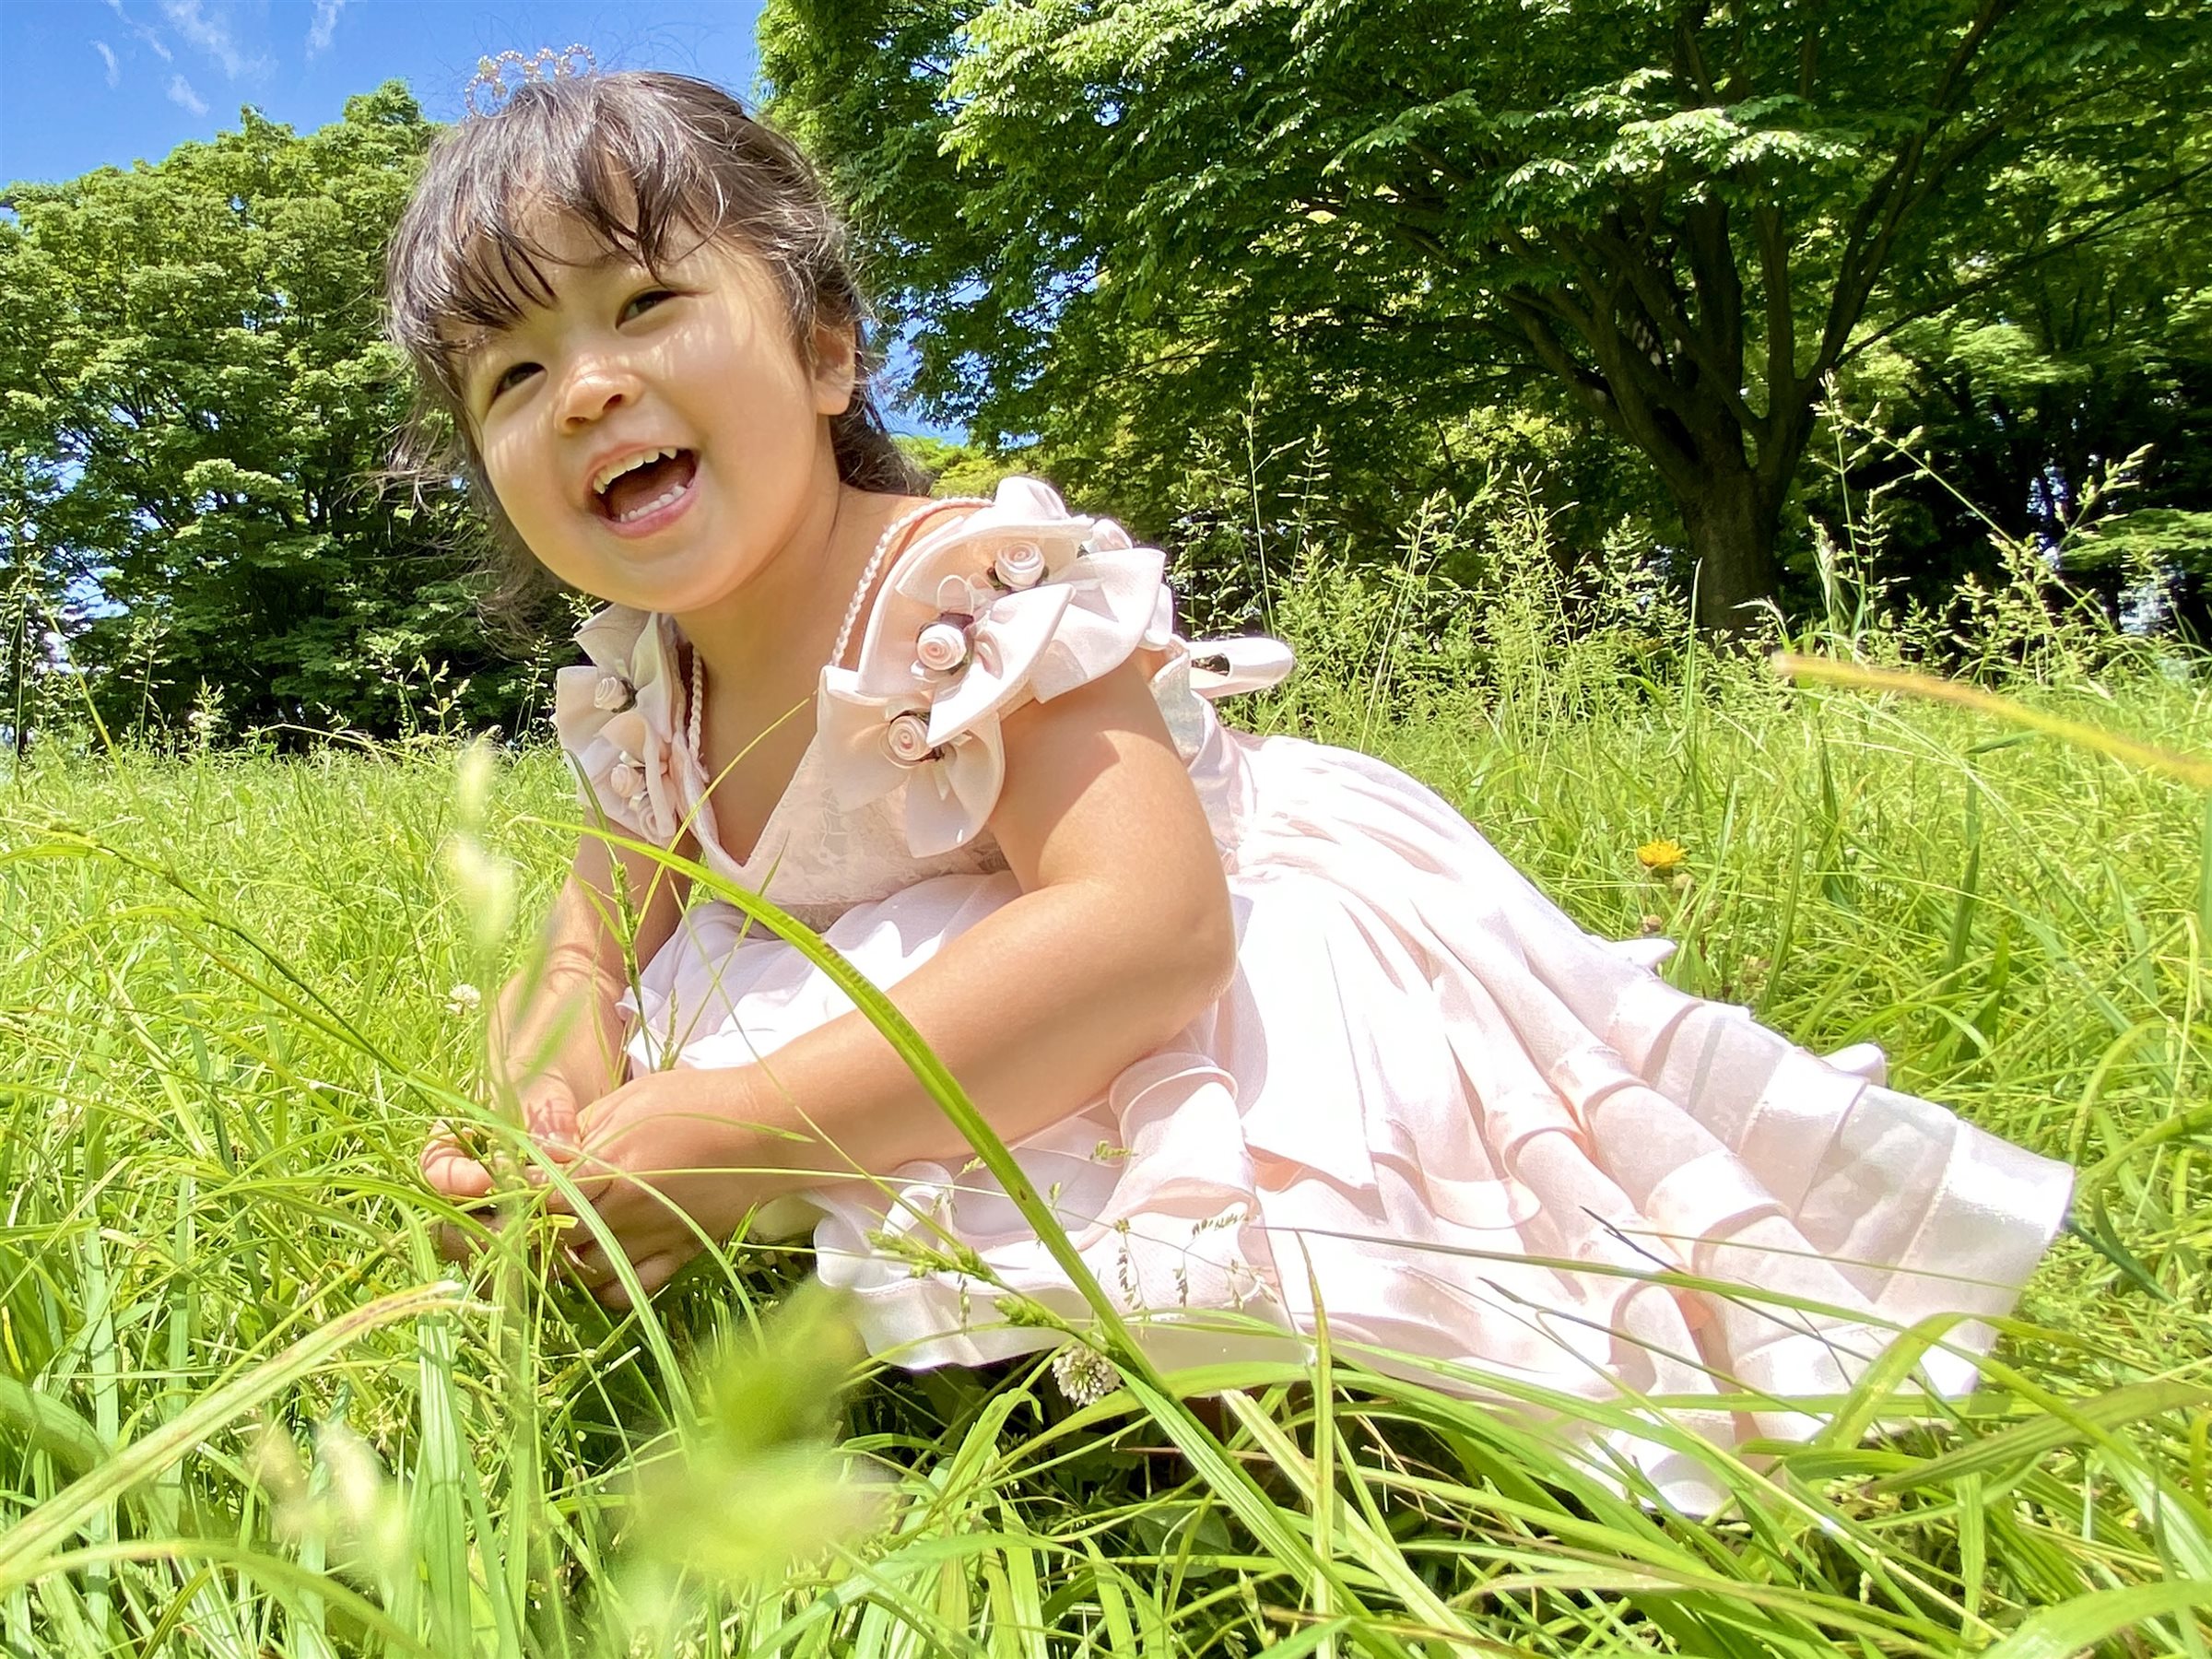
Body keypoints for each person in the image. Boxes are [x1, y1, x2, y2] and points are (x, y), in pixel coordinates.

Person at [392, 65, 2070, 1509]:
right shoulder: (647, 693)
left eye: (643, 304)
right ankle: (941, 1334)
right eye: (515, 376)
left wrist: (735, 1133)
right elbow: (589, 937)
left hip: (1194, 941)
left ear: (825, 351)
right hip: (968, 984)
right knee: (726, 1019)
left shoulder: (958, 593)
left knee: (1274, 1148)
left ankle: (1290, 1394)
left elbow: (1146, 930)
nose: (588, 385)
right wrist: (556, 1122)